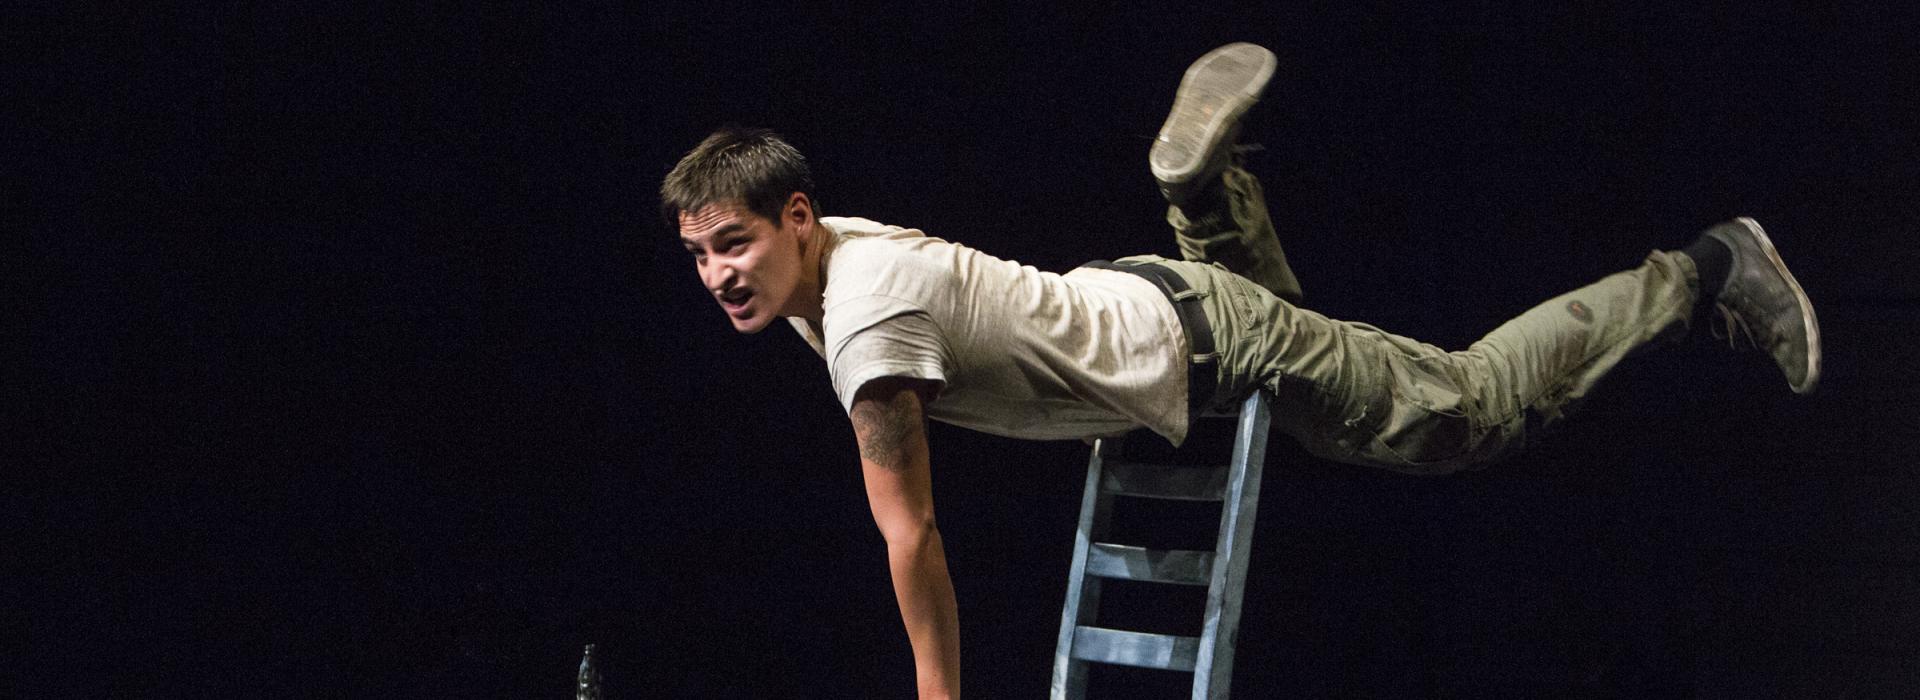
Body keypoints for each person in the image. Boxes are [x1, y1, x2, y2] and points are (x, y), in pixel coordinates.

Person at [660, 43, 1820, 698]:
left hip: (1198, 341)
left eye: (736, 243)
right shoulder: (835, 255)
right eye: (699, 253)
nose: (718, 274)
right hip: (1144, 299)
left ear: (799, 217)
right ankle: (1205, 197)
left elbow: (910, 535)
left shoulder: (861, 326)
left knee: (1468, 407)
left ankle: (1707, 269)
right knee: (1314, 356)